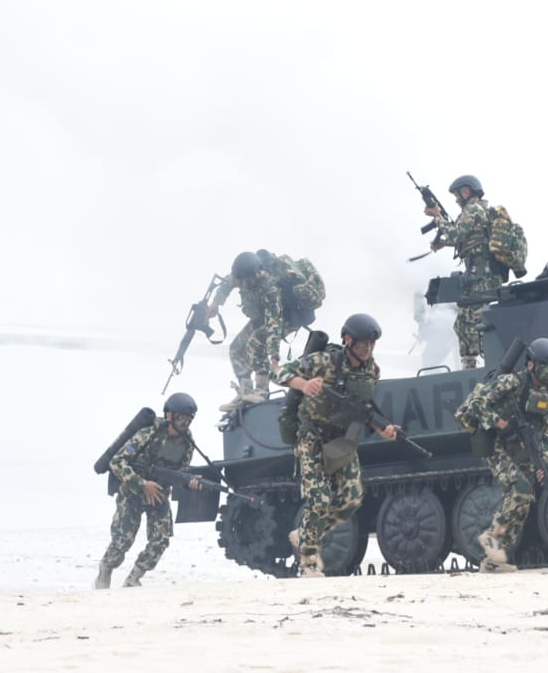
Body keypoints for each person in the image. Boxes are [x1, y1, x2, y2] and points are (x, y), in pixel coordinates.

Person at [273, 312, 399, 577]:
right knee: (319, 499)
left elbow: (364, 408)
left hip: (343, 439)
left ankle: (306, 533)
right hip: (312, 437)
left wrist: (383, 428)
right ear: (348, 340)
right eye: (363, 343)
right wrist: (304, 384)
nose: (368, 348)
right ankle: (308, 562)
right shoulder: (326, 362)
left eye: (372, 343)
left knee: (351, 500)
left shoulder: (371, 371)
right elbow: (281, 373)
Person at [454, 338, 548, 572]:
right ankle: (492, 536)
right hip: (494, 441)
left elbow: (546, 434)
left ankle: (494, 561)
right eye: (545, 366)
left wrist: (543, 466)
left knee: (524, 499)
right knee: (519, 487)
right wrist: (501, 424)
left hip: (519, 444)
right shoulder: (511, 383)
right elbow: (477, 404)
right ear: (531, 364)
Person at [96, 393, 202, 589]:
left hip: (159, 494)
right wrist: (142, 484)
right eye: (181, 418)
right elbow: (117, 462)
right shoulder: (149, 433)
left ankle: (133, 578)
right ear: (169, 416)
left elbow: (180, 471)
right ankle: (106, 568)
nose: (185, 423)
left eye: (189, 419)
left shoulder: (187, 441)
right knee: (122, 542)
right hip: (132, 492)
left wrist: (189, 482)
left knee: (160, 541)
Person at [425, 175, 504, 369]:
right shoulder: (479, 211)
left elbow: (454, 233)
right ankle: (473, 365)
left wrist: (437, 216)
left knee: (471, 323)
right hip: (478, 276)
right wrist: (443, 244)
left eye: (457, 195)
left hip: (481, 278)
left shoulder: (473, 210)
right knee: (464, 323)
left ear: (466, 191)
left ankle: (492, 364)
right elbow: (466, 238)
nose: (456, 199)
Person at [214, 251, 291, 412]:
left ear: (257, 273)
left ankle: (262, 391)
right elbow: (228, 282)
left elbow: (273, 324)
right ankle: (245, 392)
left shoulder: (270, 288)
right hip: (261, 318)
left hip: (283, 318)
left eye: (246, 281)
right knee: (236, 348)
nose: (242, 284)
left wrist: (274, 356)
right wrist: (215, 304)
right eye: (240, 281)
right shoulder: (241, 277)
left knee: (257, 341)